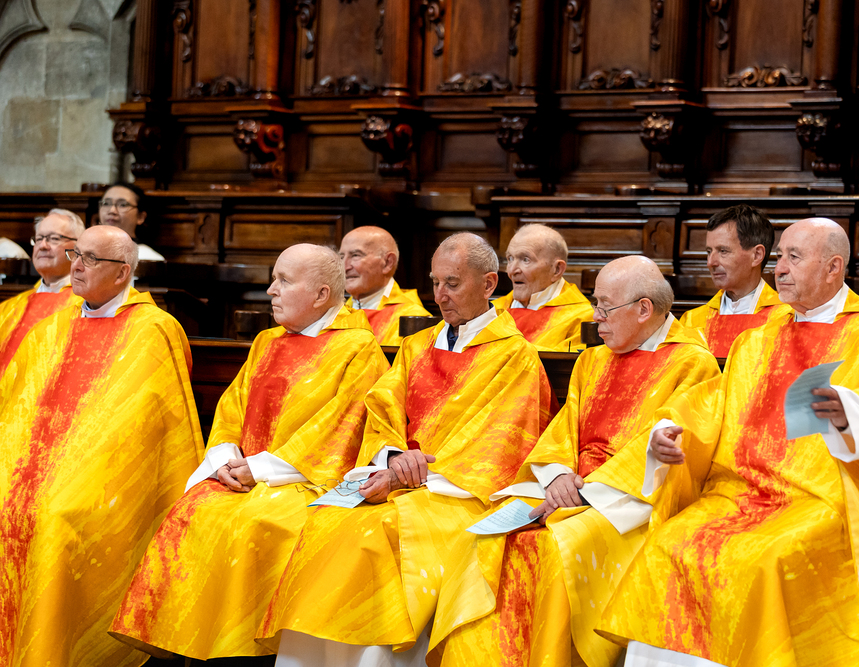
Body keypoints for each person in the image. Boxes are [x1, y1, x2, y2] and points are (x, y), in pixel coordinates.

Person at [599, 218, 859, 667]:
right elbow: (714, 404)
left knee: (762, 560)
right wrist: (666, 433)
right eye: (780, 256)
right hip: (740, 491)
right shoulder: (757, 338)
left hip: (825, 498)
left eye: (793, 258)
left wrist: (848, 413)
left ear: (833, 267)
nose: (779, 268)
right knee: (668, 546)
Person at [256, 232, 556, 666]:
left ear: (489, 284)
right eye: (435, 282)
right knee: (327, 520)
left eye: (453, 283)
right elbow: (382, 411)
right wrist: (394, 456)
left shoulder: (516, 357)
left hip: (456, 494)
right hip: (396, 481)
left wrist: (415, 474)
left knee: (375, 534)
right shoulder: (417, 345)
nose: (440, 295)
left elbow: (502, 441)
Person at [432, 256, 721, 667]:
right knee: (478, 540)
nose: (595, 316)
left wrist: (587, 493)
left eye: (605, 306)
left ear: (643, 309)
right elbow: (563, 431)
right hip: (570, 488)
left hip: (629, 501)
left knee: (555, 549)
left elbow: (675, 442)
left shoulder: (692, 363)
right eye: (595, 303)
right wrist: (557, 477)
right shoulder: (592, 360)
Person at [109, 244, 389, 661]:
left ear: (321, 295)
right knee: (192, 510)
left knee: (254, 524)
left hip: (301, 482)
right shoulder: (266, 341)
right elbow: (232, 408)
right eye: (274, 279)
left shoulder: (357, 348)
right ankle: (186, 648)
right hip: (244, 474)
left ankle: (241, 651)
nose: (271, 290)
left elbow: (339, 429)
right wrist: (224, 459)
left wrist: (258, 469)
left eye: (284, 281)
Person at [0, 226, 203, 667]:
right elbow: (16, 406)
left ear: (122, 272)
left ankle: (52, 651)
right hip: (34, 464)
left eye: (90, 259)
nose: (76, 265)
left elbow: (143, 425)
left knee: (55, 517)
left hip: (106, 474)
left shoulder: (154, 329)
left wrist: (72, 470)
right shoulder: (51, 328)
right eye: (75, 254)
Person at [677, 204, 789, 357]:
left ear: (757, 255)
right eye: (709, 252)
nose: (710, 262)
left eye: (723, 251)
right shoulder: (692, 321)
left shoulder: (785, 318)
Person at [0, 209, 85, 374]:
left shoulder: (88, 305)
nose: (43, 245)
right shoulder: (9, 308)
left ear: (78, 248)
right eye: (39, 239)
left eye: (54, 239)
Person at [493, 224, 594, 351]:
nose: (512, 270)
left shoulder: (584, 319)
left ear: (557, 269)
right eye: (510, 258)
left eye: (526, 260)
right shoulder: (491, 311)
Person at [341, 226, 431, 344]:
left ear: (388, 263)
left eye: (356, 255)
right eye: (341, 257)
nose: (344, 267)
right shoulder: (334, 311)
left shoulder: (413, 319)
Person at [98, 182, 165, 262]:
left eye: (122, 205)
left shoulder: (148, 258)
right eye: (106, 203)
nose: (112, 210)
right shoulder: (89, 251)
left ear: (140, 217)